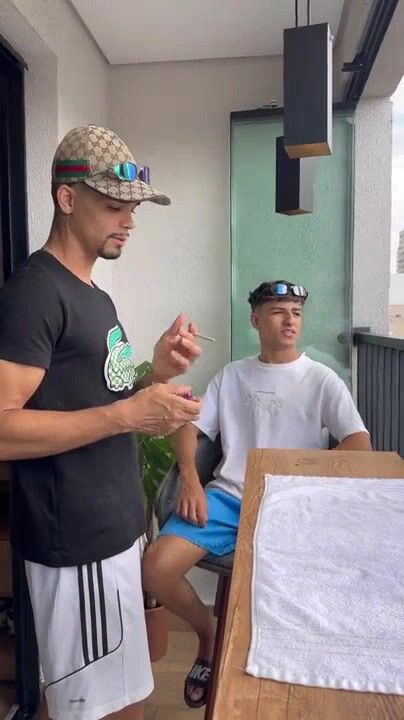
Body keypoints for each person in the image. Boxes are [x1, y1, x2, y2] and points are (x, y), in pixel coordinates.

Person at [0, 125, 203, 720]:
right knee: (98, 711)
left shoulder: (93, 294)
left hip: (112, 536)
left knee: (124, 702)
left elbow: (101, 401)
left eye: (132, 208)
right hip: (75, 545)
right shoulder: (35, 293)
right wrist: (124, 414)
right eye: (115, 206)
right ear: (67, 199)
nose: (129, 221)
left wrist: (157, 373)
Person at [142, 279, 371, 709]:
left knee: (293, 597)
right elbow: (190, 426)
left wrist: (306, 480)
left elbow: (359, 442)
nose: (290, 320)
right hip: (228, 499)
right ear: (255, 320)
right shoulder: (232, 375)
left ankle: (282, 679)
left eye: (296, 313)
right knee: (156, 569)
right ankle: (210, 635)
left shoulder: (321, 379)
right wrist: (190, 479)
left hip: (292, 506)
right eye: (278, 312)